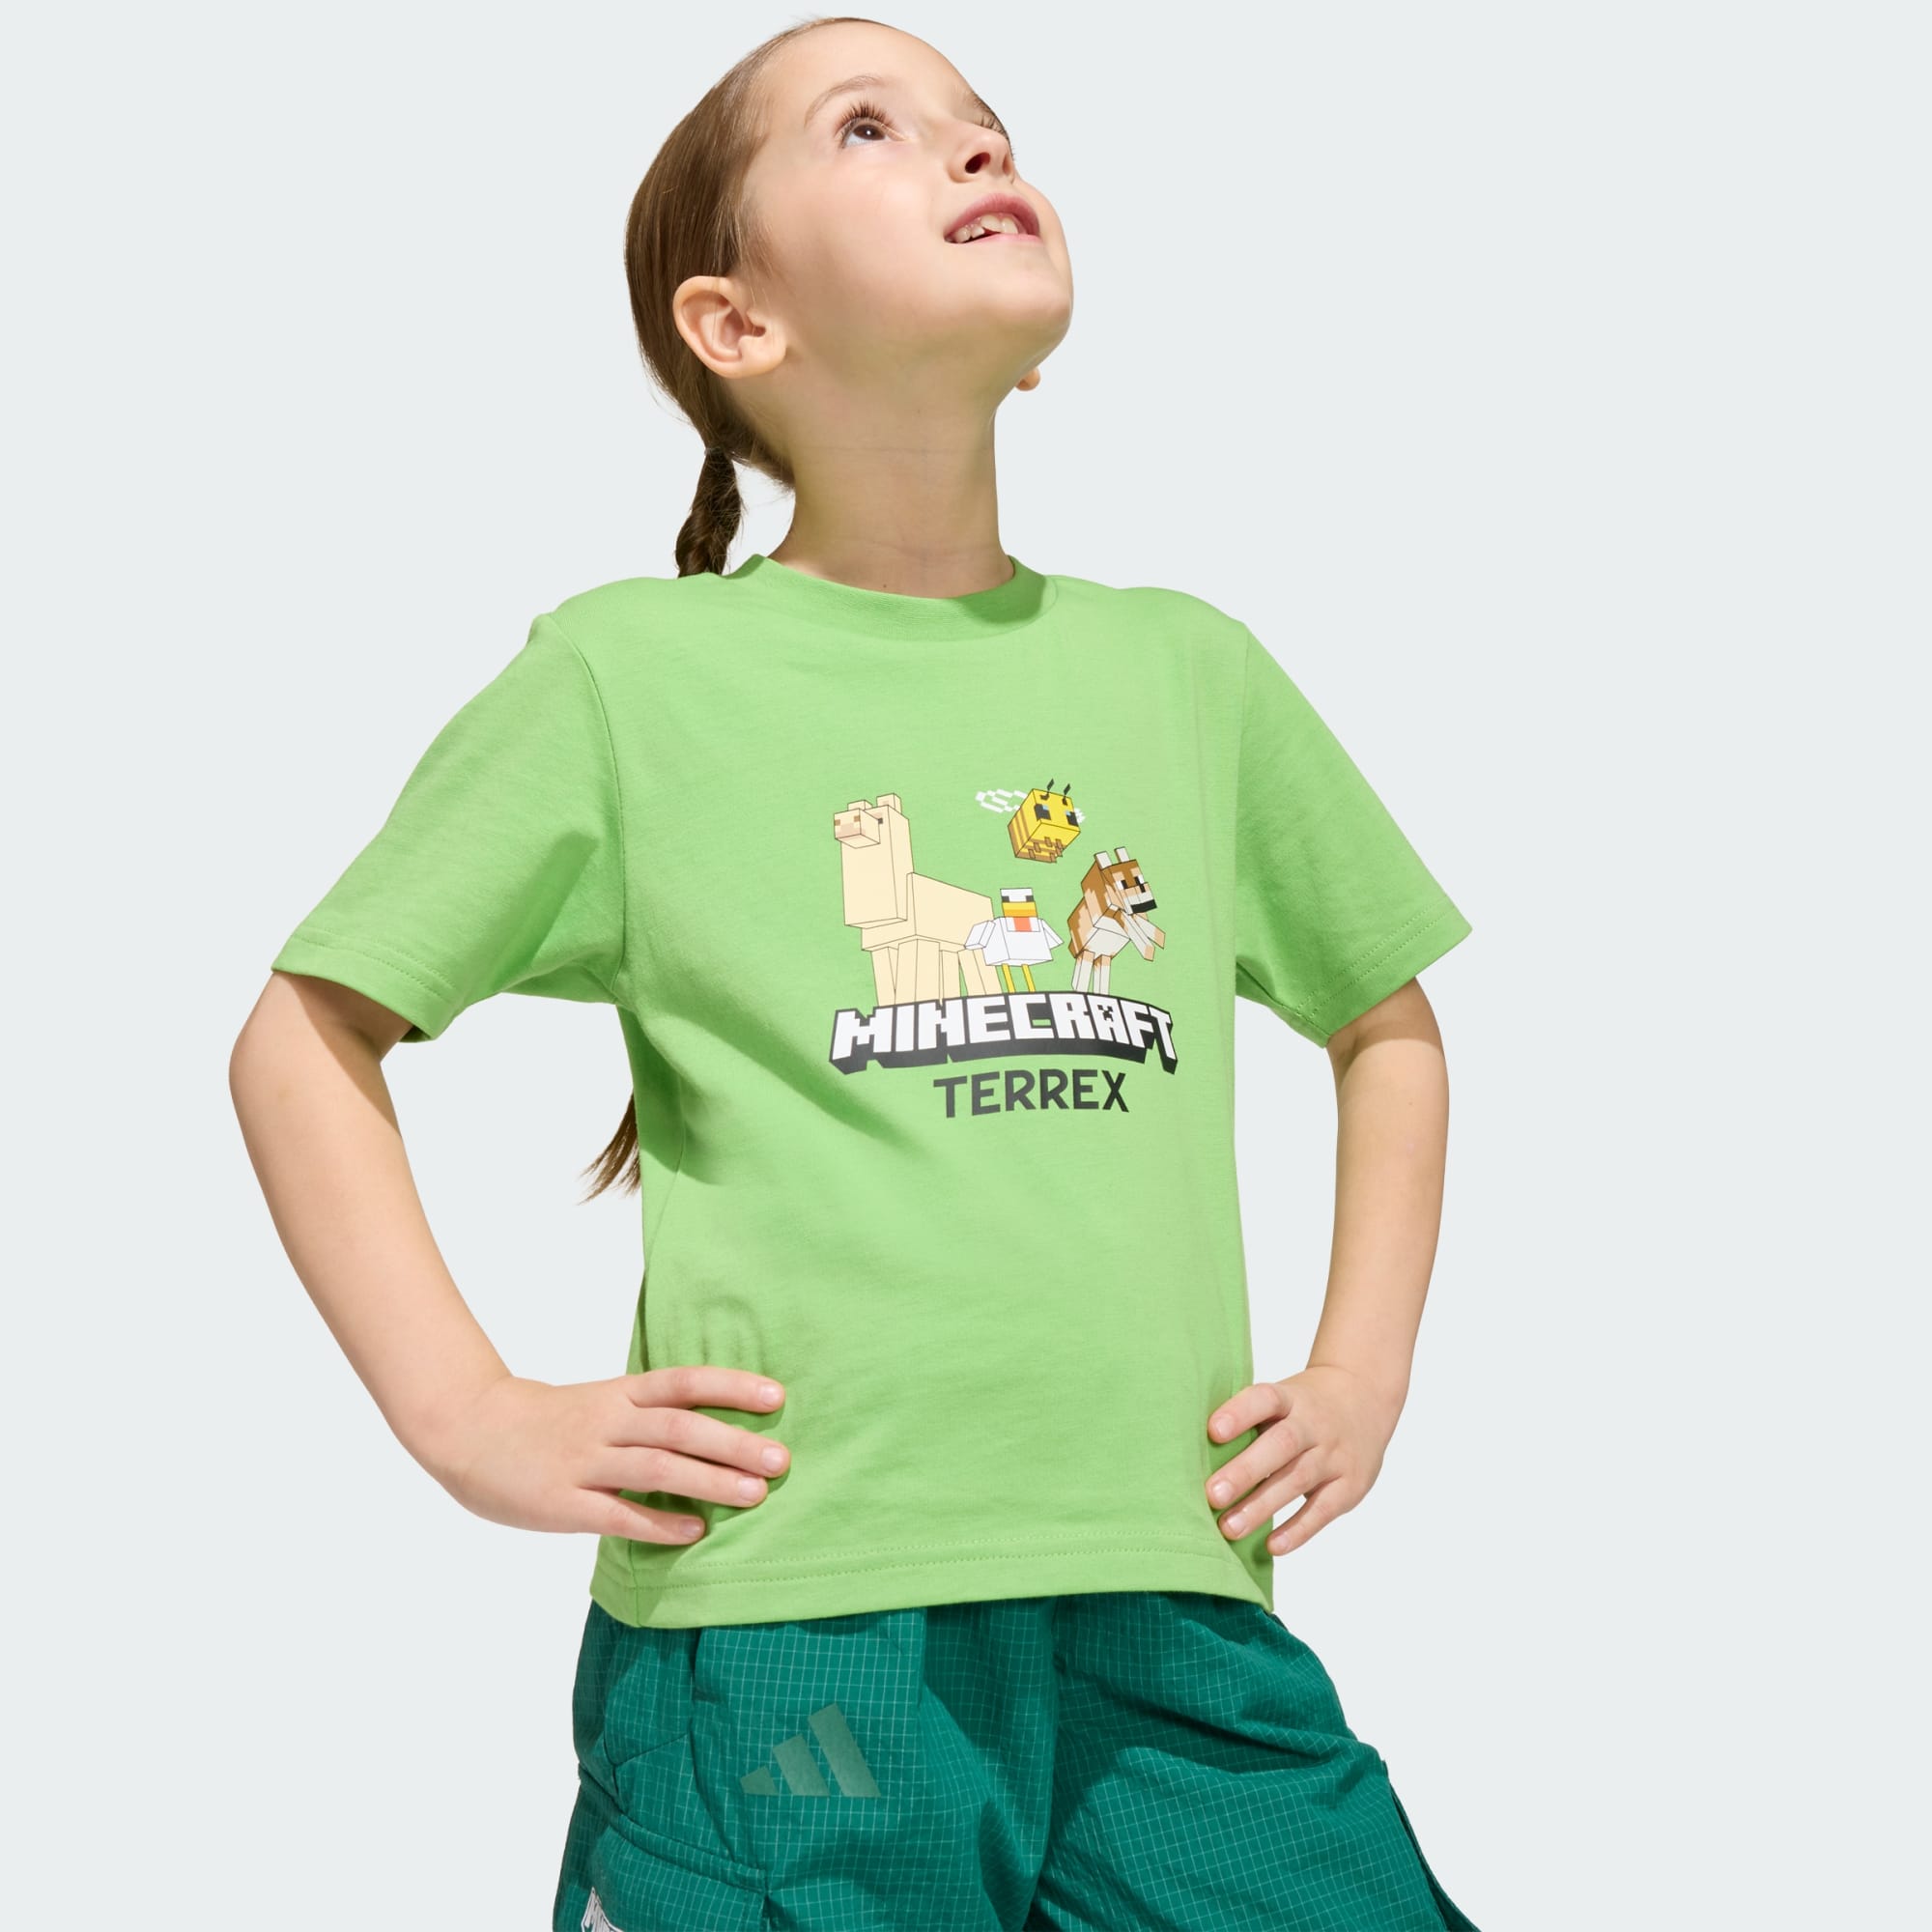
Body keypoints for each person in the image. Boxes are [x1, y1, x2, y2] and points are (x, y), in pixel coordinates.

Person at [230, 15, 1481, 1930]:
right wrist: (467, 1412)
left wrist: (1363, 1370)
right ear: (736, 322)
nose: (976, 149)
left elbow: (1383, 1021)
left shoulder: (1189, 672)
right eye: (873, 128)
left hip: (1167, 1600)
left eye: (990, 125)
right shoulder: (629, 677)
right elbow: (305, 1030)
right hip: (792, 1627)